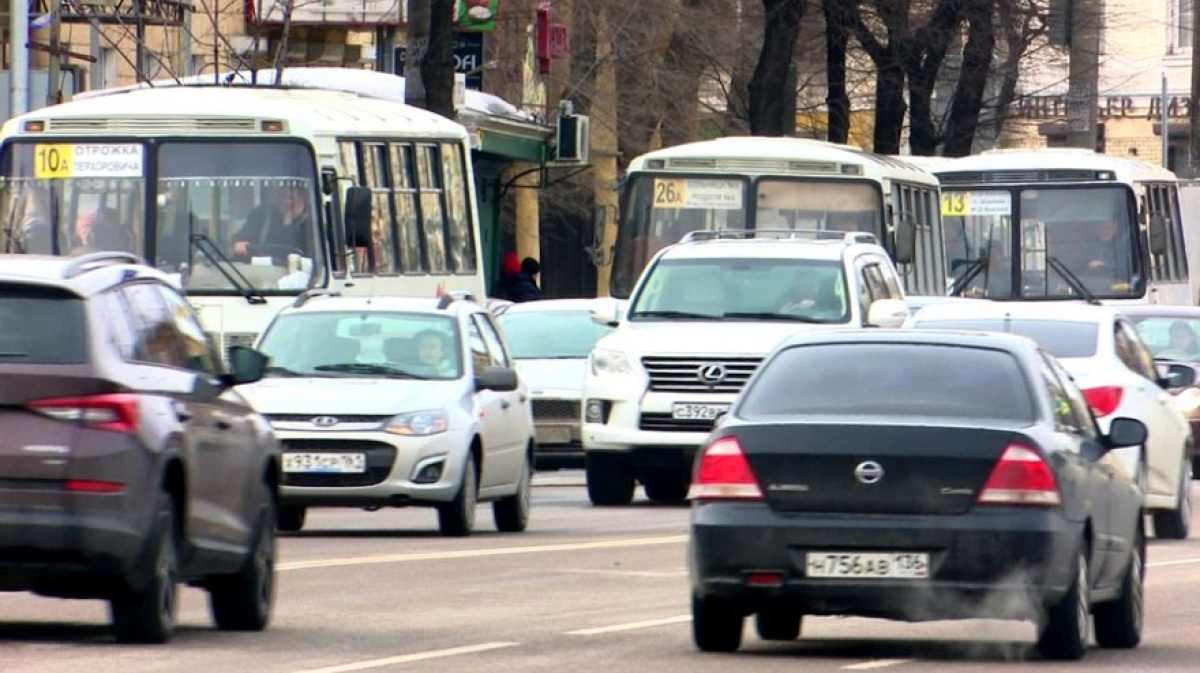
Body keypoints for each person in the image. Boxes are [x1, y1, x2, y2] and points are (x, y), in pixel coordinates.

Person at [231, 184, 312, 264]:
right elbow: (241, 241)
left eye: (291, 198)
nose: (286, 201)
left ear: (303, 197)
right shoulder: (263, 214)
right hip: (262, 272)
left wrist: (288, 223)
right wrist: (238, 244)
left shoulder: (313, 223)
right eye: (282, 195)